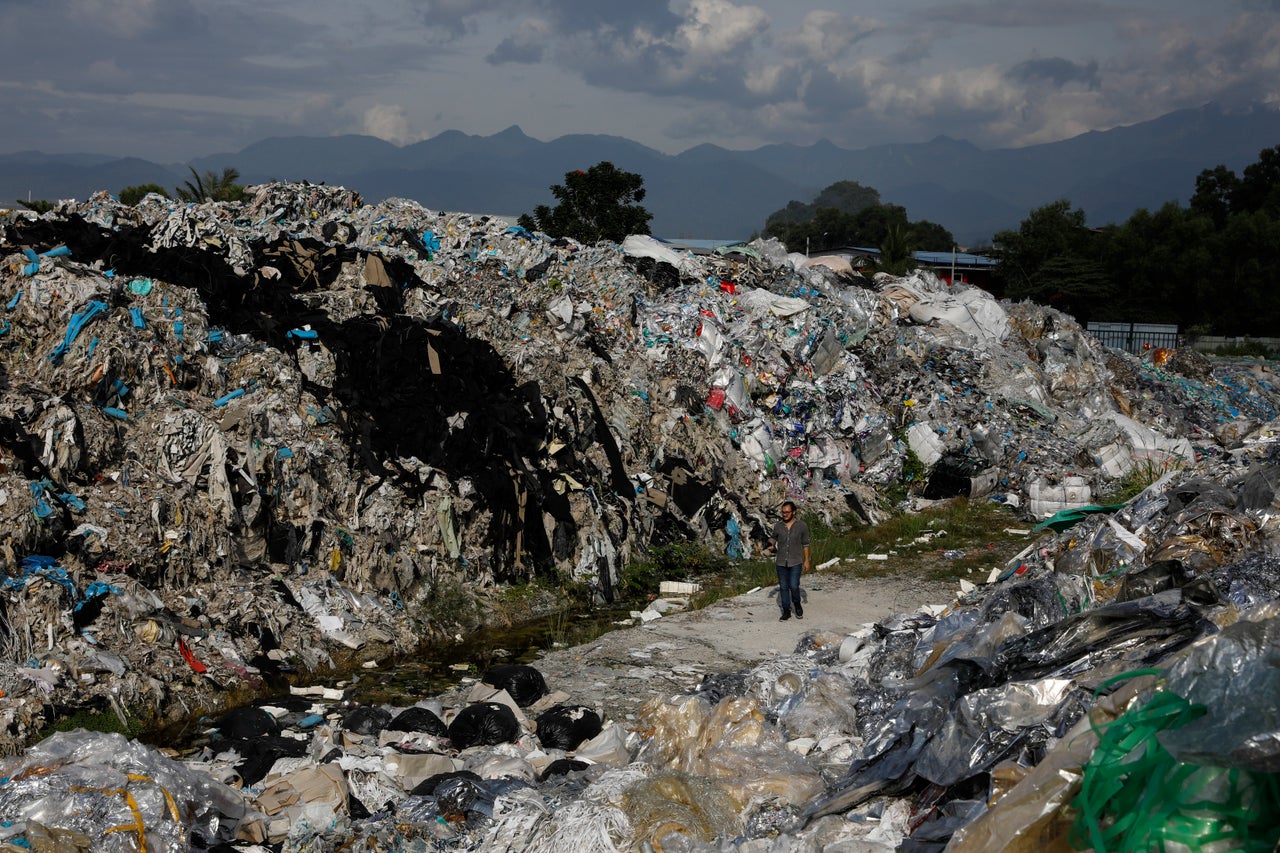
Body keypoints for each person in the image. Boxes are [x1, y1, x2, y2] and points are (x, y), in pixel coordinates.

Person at [770, 500, 810, 621]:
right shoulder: (778, 526)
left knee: (793, 585)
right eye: (783, 512)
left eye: (787, 512)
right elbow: (773, 537)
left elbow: (806, 544)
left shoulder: (802, 526)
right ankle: (786, 611)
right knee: (783, 587)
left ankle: (797, 604)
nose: (784, 514)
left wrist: (807, 560)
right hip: (781, 562)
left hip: (795, 561)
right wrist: (771, 544)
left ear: (794, 512)